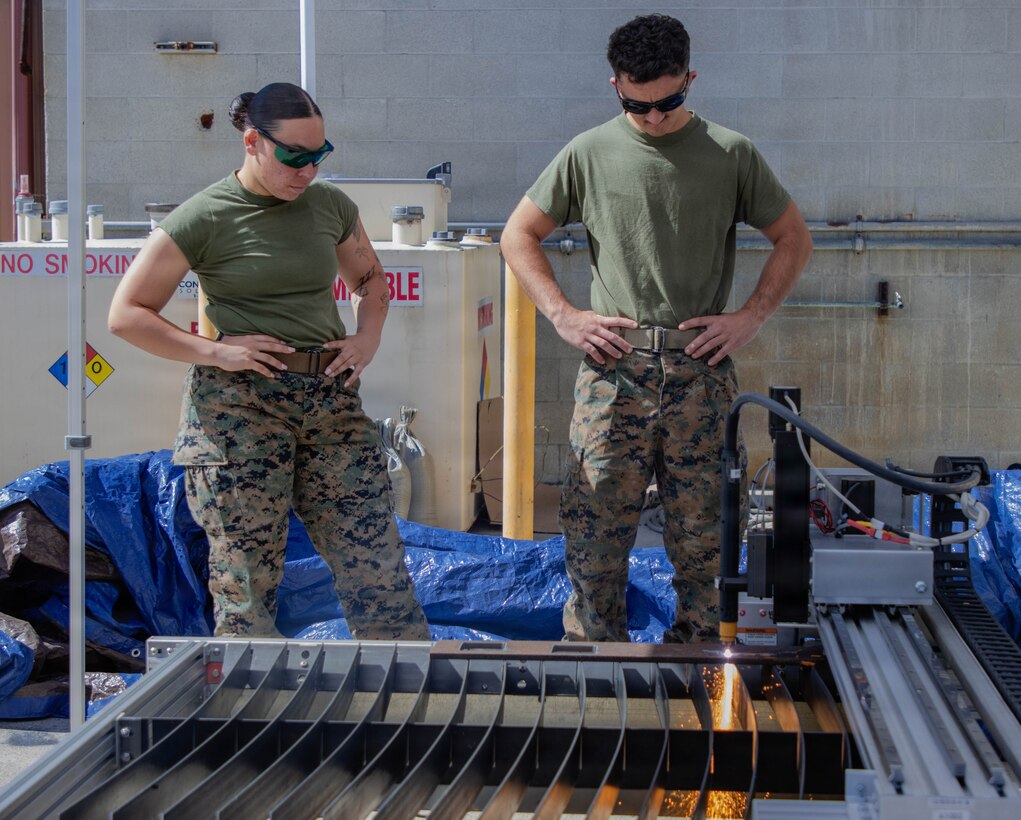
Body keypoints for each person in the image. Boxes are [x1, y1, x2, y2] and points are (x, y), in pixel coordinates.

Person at [501, 14, 812, 643]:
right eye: (638, 105)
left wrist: (749, 317)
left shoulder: (730, 154)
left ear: (690, 79)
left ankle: (701, 670)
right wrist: (564, 314)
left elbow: (792, 238)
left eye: (669, 101)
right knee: (594, 539)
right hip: (616, 373)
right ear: (614, 84)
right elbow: (518, 235)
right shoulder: (588, 153)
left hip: (699, 374)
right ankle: (595, 672)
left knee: (707, 541)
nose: (654, 117)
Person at [109, 82, 429, 640]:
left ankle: (405, 702)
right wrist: (215, 350)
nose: (307, 171)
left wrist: (366, 338)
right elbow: (127, 313)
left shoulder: (328, 205)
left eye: (319, 155)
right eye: (294, 157)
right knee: (247, 581)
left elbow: (371, 280)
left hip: (327, 400)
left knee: (375, 562)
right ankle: (251, 716)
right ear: (253, 142)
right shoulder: (204, 215)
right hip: (240, 409)